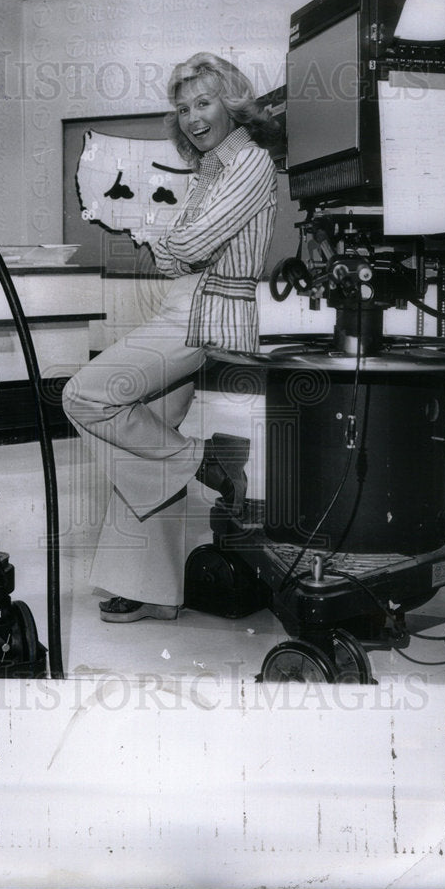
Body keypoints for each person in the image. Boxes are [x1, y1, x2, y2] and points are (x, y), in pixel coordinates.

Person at [62, 52, 279, 623]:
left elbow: (187, 245)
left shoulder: (251, 162)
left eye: (204, 103)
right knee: (143, 437)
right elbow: (176, 251)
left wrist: (167, 238)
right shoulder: (212, 168)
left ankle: (204, 459)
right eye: (183, 108)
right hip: (185, 301)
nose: (192, 118)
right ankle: (151, 587)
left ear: (232, 104)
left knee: (84, 396)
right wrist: (172, 241)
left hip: (207, 312)